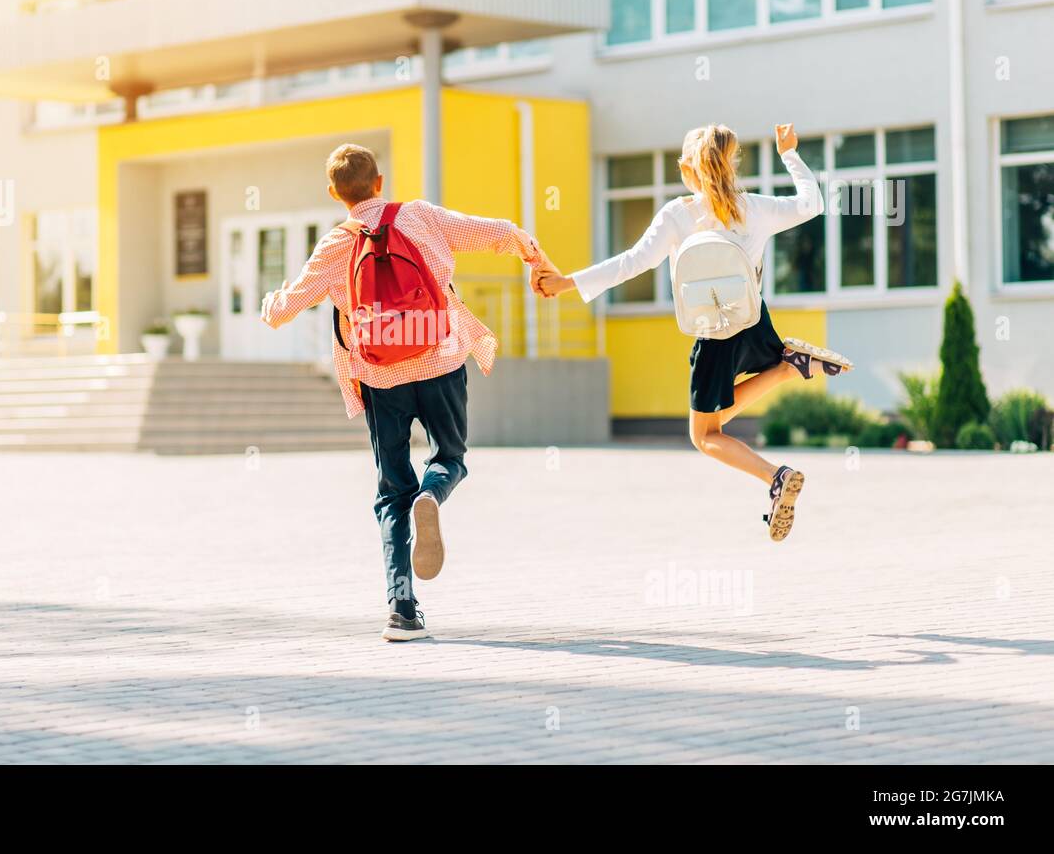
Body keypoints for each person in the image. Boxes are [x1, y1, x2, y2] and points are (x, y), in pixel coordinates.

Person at [261, 143, 558, 640]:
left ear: (335, 194)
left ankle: (402, 610)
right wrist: (534, 256)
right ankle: (434, 496)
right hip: (440, 359)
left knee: (390, 492)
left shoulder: (336, 244)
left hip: (380, 376)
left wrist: (271, 303)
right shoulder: (419, 217)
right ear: (380, 183)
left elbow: (285, 310)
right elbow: (496, 233)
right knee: (451, 457)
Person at [534, 124, 851, 541]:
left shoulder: (678, 214)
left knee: (704, 436)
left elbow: (630, 263)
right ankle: (789, 367)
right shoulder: (753, 207)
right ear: (730, 163)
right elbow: (812, 204)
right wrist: (789, 153)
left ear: (688, 169)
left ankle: (777, 476)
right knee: (713, 423)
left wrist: (566, 282)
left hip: (713, 333)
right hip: (754, 321)